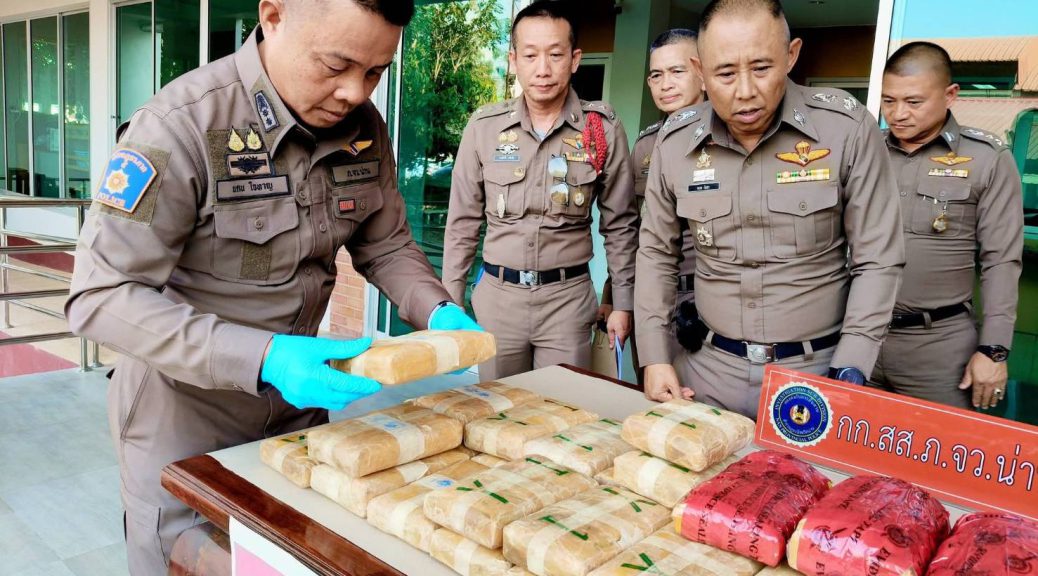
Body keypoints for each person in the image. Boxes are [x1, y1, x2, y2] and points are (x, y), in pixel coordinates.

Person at [65, 1, 480, 573]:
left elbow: (384, 245)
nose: (355, 92)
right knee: (190, 562)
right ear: (274, 15)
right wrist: (264, 357)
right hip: (186, 417)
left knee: (291, 559)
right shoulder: (181, 124)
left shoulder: (363, 129)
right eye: (336, 65)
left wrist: (436, 311)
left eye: (375, 72)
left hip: (299, 411)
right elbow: (100, 297)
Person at [636, 0, 905, 417]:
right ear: (700, 70)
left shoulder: (845, 129)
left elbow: (878, 257)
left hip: (815, 374)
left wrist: (852, 362)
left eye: (761, 68)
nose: (745, 91)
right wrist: (654, 356)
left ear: (791, 55)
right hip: (707, 372)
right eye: (726, 74)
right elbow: (656, 253)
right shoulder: (675, 143)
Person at [443, 0, 639, 380]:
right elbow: (462, 222)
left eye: (555, 55)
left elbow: (620, 225)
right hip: (498, 301)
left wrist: (623, 302)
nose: (543, 69)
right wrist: (450, 300)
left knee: (561, 407)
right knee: (498, 408)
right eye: (531, 55)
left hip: (567, 302)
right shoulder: (484, 128)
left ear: (575, 59)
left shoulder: (601, 129)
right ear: (514, 60)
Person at [874, 41, 1023, 410]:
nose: (898, 114)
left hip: (939, 347)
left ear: (950, 95)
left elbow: (1001, 260)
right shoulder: (868, 151)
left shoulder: (986, 159)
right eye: (889, 100)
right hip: (861, 336)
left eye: (913, 102)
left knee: (940, 445)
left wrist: (994, 349)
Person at [598, 29, 706, 380]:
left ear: (703, 72)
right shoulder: (645, 146)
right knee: (653, 394)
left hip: (708, 300)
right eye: (656, 75)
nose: (665, 84)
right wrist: (613, 298)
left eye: (677, 72)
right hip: (650, 301)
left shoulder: (727, 140)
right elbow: (628, 229)